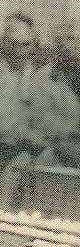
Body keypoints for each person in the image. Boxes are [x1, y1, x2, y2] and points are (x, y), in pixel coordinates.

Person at [30, 19, 80, 167]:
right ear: (56, 45)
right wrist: (77, 134)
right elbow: (40, 122)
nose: (73, 45)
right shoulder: (43, 77)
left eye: (78, 39)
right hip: (55, 155)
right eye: (66, 39)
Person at [0, 13, 45, 157]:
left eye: (24, 44)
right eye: (12, 42)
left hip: (31, 150)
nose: (18, 50)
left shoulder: (40, 74)